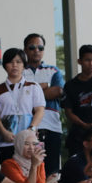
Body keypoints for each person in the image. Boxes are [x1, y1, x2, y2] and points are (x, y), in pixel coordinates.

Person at [22, 33, 65, 175]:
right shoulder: (20, 72)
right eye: (32, 47)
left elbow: (58, 91)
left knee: (52, 172)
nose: (36, 50)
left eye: (40, 48)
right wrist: (45, 87)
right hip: (27, 129)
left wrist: (30, 91)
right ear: (25, 50)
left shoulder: (53, 70)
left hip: (52, 128)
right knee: (29, 170)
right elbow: (19, 96)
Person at [0, 47, 45, 161]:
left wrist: (31, 129)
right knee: (9, 170)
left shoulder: (33, 86)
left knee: (30, 169)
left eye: (18, 62)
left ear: (24, 65)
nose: (14, 65)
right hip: (6, 142)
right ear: (5, 65)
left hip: (29, 142)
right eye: (11, 62)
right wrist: (3, 132)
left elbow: (40, 110)